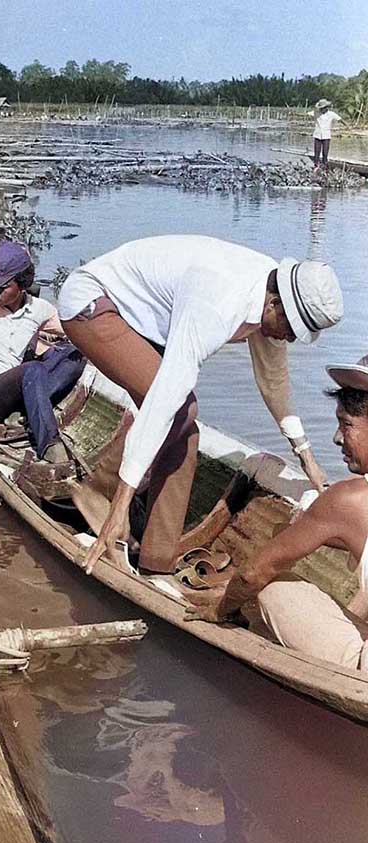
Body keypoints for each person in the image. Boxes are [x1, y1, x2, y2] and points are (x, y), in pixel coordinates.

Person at [57, 235, 344, 575]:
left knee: (185, 434)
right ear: (274, 306)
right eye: (293, 330)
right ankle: (103, 500)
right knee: (180, 411)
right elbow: (166, 398)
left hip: (147, 324)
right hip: (92, 305)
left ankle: (155, 562)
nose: (291, 339)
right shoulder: (220, 300)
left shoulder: (271, 294)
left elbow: (275, 382)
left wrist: (307, 458)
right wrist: (121, 503)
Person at [185, 354, 368, 671]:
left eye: (346, 425)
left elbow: (253, 573)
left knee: (269, 586)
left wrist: (222, 610)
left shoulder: (348, 499)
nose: (337, 438)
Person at [0, 240, 85, 462]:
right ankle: (49, 445)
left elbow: (75, 331)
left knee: (76, 354)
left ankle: (30, 408)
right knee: (32, 371)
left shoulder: (39, 309)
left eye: (2, 287)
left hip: (18, 391)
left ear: (22, 285)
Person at [310, 98, 344, 170]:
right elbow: (307, 113)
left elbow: (340, 119)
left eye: (323, 108)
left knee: (325, 153)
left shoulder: (331, 114)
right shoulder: (316, 113)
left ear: (326, 108)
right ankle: (316, 166)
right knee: (316, 153)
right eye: (320, 108)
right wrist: (316, 108)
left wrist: (348, 126)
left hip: (326, 136)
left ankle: (325, 167)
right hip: (317, 135)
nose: (321, 109)